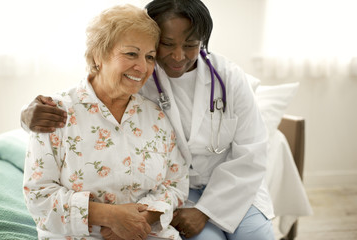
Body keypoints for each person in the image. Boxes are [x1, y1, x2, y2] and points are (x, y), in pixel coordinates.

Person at [21, 0, 275, 239]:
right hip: (166, 202)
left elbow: (250, 152)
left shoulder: (221, 80)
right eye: (166, 44)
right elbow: (91, 94)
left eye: (189, 44)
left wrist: (145, 218)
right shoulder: (73, 106)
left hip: (228, 187)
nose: (177, 56)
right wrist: (111, 218)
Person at [22, 4, 189, 240]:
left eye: (150, 57)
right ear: (98, 55)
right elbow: (38, 196)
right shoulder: (55, 113)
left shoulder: (156, 117)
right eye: (131, 53)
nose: (142, 67)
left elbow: (177, 183)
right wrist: (111, 217)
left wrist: (141, 220)